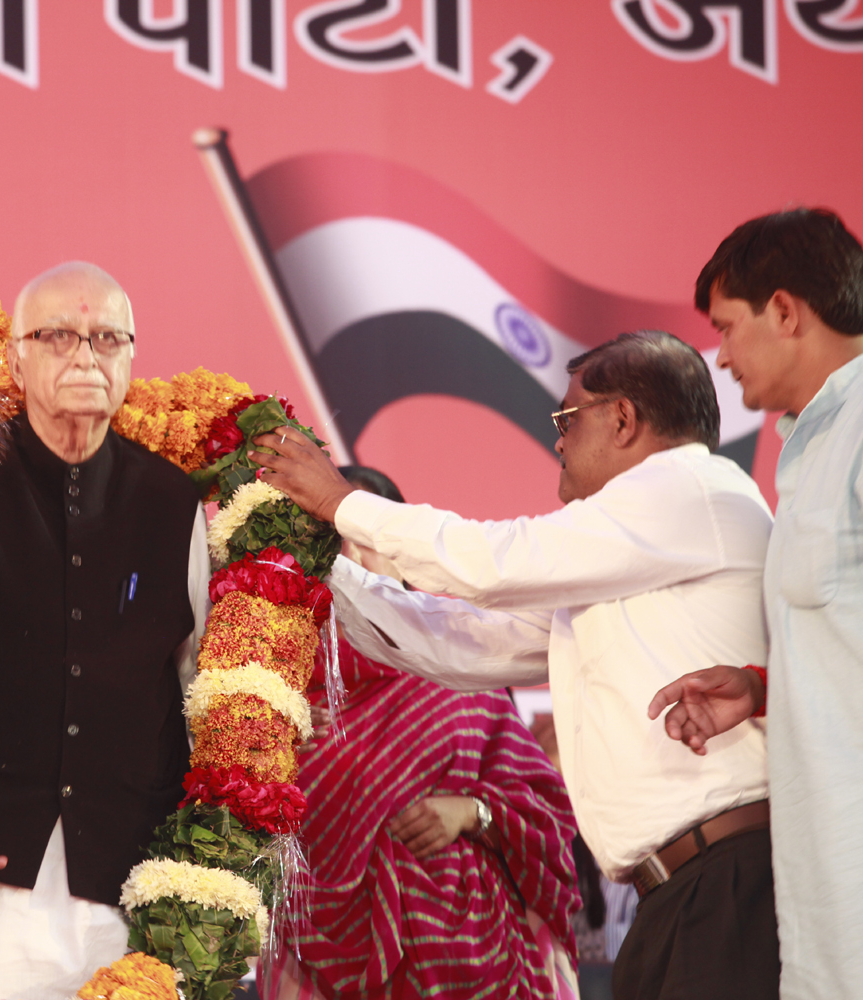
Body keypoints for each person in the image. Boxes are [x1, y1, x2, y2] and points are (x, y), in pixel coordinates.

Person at [253, 330, 778, 1000]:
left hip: (728, 883)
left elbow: (497, 560)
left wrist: (341, 503)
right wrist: (311, 558)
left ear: (623, 419)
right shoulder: (625, 552)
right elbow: (465, 638)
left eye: (567, 418)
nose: (557, 439)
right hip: (678, 893)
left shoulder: (688, 489)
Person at [0, 262, 209, 1000]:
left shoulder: (172, 499)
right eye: (56, 336)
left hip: (131, 868)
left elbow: (198, 683)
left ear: (131, 357)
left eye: (106, 338)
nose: (84, 356)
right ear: (14, 358)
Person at [648, 208, 863, 1000]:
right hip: (823, 876)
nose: (721, 356)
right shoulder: (812, 442)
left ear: (785, 310)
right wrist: (763, 687)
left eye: (727, 327)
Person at [270, 467, 581, 1000]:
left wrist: (473, 812)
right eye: (332, 544)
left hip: (487, 963)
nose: (353, 562)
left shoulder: (459, 674)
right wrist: (272, 753)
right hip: (333, 971)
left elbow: (548, 814)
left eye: (366, 541)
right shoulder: (279, 698)